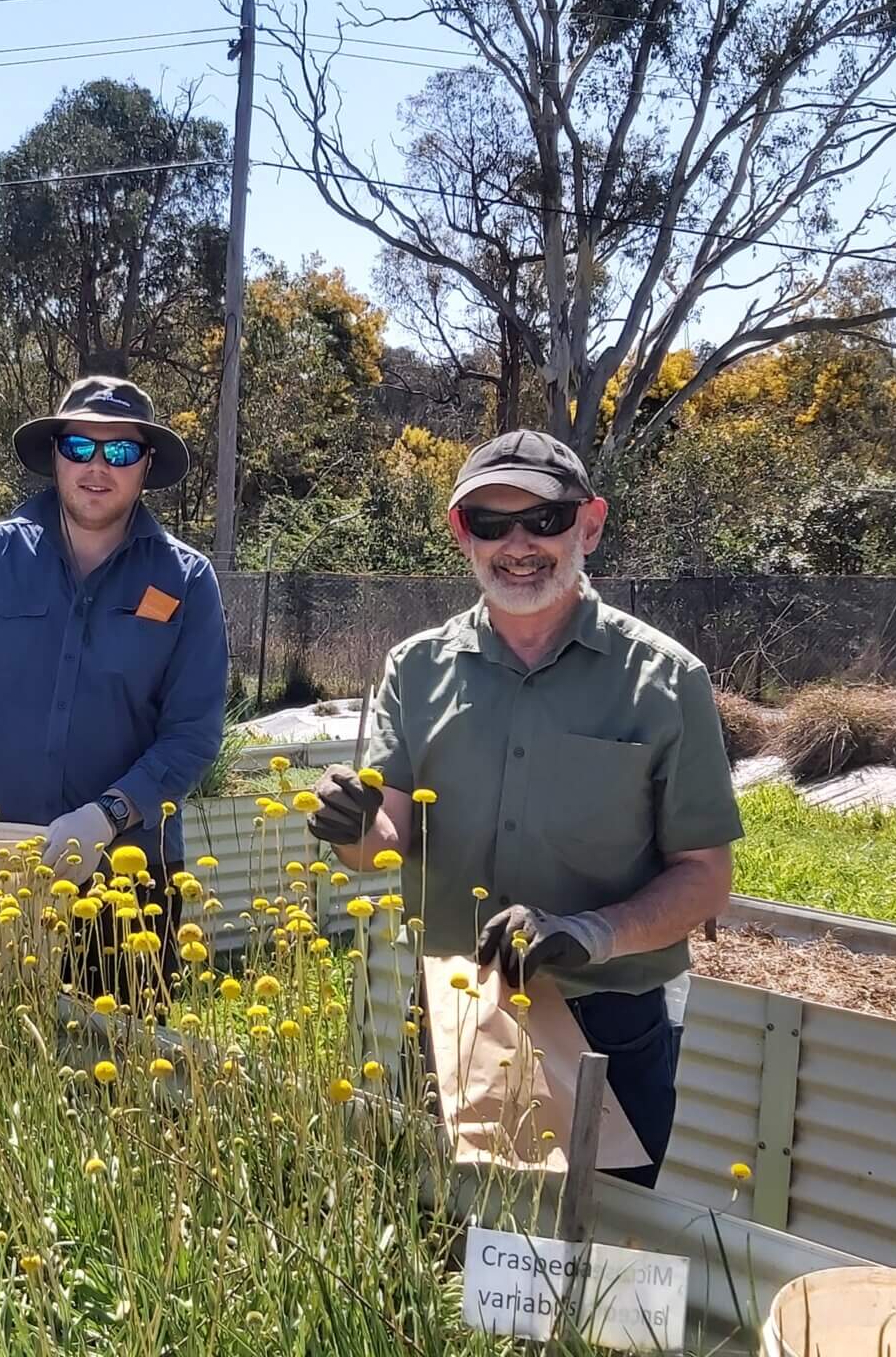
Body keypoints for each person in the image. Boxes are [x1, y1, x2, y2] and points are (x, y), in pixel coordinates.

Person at [309, 430, 742, 1187]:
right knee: (434, 1234)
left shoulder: (668, 681)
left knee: (585, 1248)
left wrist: (588, 932)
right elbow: (386, 837)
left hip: (607, 1029)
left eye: (544, 519)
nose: (518, 546)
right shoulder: (416, 669)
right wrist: (352, 828)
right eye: (491, 523)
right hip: (454, 1015)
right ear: (461, 534)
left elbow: (706, 876)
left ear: (590, 524)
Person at [0, 376, 230, 999]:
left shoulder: (186, 580)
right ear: (55, 454)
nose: (97, 466)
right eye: (80, 446)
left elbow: (192, 735)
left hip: (132, 880)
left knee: (124, 1053)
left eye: (121, 451)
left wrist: (109, 814)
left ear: (147, 464)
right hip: (0, 868)